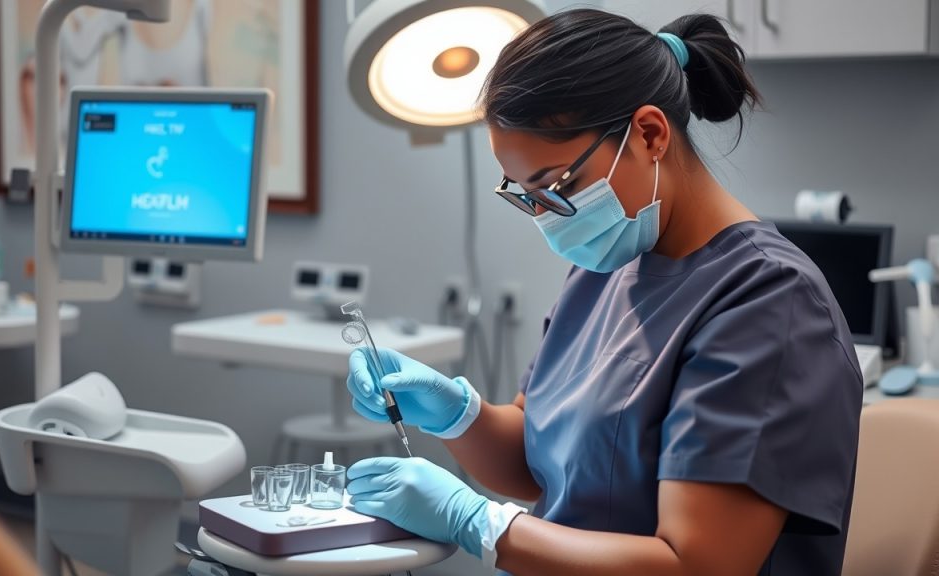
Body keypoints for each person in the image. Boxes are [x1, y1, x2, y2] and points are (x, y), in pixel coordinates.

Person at [345, 9, 863, 576]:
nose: (544, 216)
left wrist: (478, 522)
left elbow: (697, 565)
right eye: (523, 194)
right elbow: (535, 462)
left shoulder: (767, 301)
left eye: (555, 186)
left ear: (649, 134)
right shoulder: (608, 266)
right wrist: (455, 414)